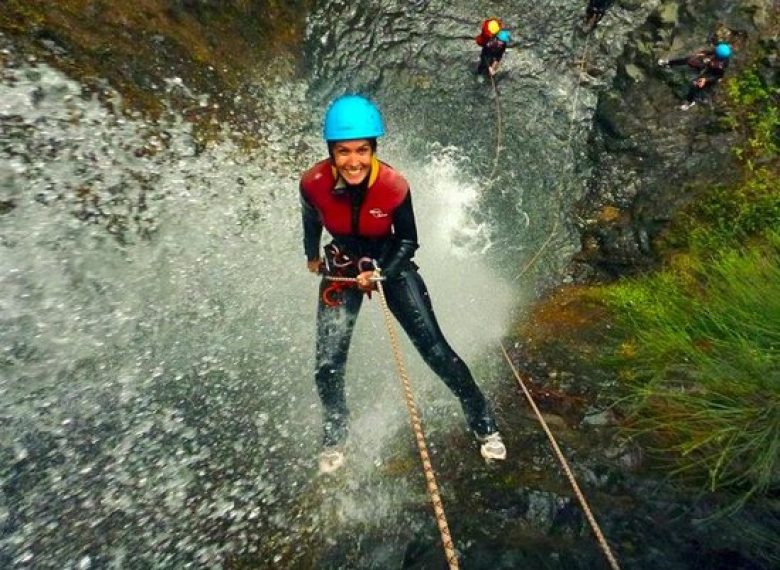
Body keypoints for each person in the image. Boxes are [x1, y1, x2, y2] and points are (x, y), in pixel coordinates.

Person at [299, 95, 507, 473]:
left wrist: (381, 272)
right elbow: (311, 220)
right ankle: (335, 434)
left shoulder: (394, 185)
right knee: (327, 364)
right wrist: (311, 254)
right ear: (331, 151)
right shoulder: (313, 184)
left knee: (435, 350)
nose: (354, 161)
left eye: (363, 150)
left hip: (391, 263)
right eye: (343, 151)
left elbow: (409, 239)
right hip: (343, 265)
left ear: (374, 149)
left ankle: (483, 423)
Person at [658, 42, 733, 110]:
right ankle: (668, 63)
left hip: (711, 73)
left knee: (696, 84)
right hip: (708, 64)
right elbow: (710, 52)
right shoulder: (718, 51)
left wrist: (706, 79)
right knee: (690, 60)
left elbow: (717, 76)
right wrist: (703, 54)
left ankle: (689, 101)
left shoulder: (721, 66)